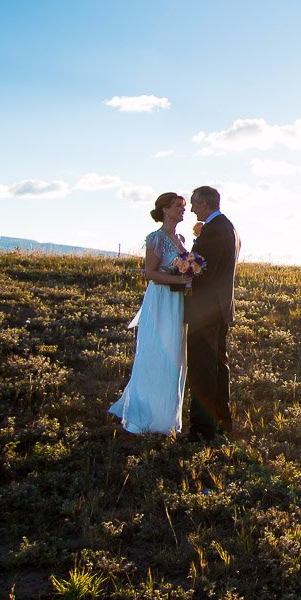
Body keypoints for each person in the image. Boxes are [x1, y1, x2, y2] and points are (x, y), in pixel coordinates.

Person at [108, 192, 192, 434]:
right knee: (157, 352)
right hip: (161, 299)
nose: (182, 210)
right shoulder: (155, 238)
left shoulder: (182, 237)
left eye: (183, 207)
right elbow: (150, 273)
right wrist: (178, 278)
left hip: (177, 301)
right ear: (165, 210)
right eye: (178, 206)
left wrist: (187, 278)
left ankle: (166, 415)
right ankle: (146, 412)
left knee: (175, 355)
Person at [185, 185, 240, 442]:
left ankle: (201, 430)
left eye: (194, 203)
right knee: (218, 366)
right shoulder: (229, 228)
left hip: (205, 310)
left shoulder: (214, 230)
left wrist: (176, 277)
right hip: (220, 308)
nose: (192, 207)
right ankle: (221, 420)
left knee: (203, 369)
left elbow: (200, 271)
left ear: (205, 204)